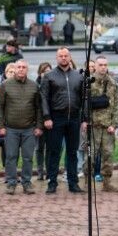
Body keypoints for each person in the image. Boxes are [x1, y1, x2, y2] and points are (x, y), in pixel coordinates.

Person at [41, 48, 84, 194]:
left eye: (66, 56)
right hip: (56, 118)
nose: (63, 58)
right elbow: (44, 98)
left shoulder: (78, 76)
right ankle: (52, 182)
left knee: (72, 152)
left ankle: (73, 183)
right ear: (56, 58)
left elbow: (83, 99)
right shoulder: (49, 76)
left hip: (74, 118)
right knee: (54, 151)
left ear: (70, 57)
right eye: (61, 56)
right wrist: (47, 117)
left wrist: (84, 119)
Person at [0, 59, 42, 195]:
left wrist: (39, 126)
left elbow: (39, 108)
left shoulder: (34, 86)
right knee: (11, 157)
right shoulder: (5, 85)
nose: (21, 69)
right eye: (19, 67)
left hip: (29, 129)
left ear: (27, 70)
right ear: (14, 69)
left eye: (24, 67)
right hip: (11, 128)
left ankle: (27, 182)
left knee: (28, 157)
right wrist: (0, 126)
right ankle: (11, 183)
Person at [87, 55, 118, 192]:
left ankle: (107, 182)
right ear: (95, 66)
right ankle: (88, 182)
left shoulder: (112, 83)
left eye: (105, 65)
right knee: (91, 155)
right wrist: (85, 122)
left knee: (108, 154)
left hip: (107, 126)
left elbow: (116, 105)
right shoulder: (89, 82)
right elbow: (84, 104)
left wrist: (114, 124)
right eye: (100, 65)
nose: (103, 67)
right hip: (93, 125)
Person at [0, 63, 17, 170]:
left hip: (17, 123)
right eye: (10, 72)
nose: (12, 74)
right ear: (5, 73)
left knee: (15, 149)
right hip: (4, 123)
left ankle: (14, 170)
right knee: (6, 149)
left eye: (14, 72)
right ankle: (8, 172)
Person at [34, 62, 52, 180]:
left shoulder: (53, 85)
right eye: (44, 72)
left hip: (50, 121)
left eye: (48, 72)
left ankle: (49, 171)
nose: (46, 74)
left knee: (50, 148)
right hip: (38, 121)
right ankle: (40, 171)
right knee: (39, 148)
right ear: (40, 73)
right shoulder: (35, 86)